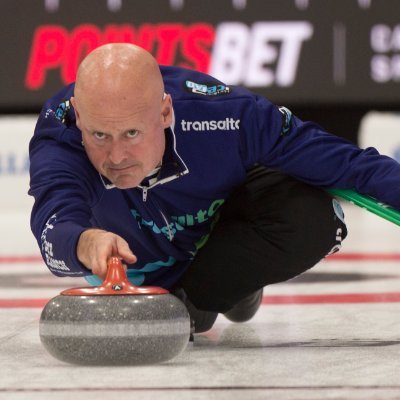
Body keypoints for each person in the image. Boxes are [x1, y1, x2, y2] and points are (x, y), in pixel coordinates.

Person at [29, 43, 400, 333]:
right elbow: (53, 219)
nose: (117, 155)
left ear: (164, 112)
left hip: (217, 234)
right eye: (99, 135)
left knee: (314, 218)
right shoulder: (61, 135)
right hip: (136, 268)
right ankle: (207, 297)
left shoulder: (223, 114)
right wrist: (83, 242)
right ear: (78, 115)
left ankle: (217, 289)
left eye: (132, 133)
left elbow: (346, 164)